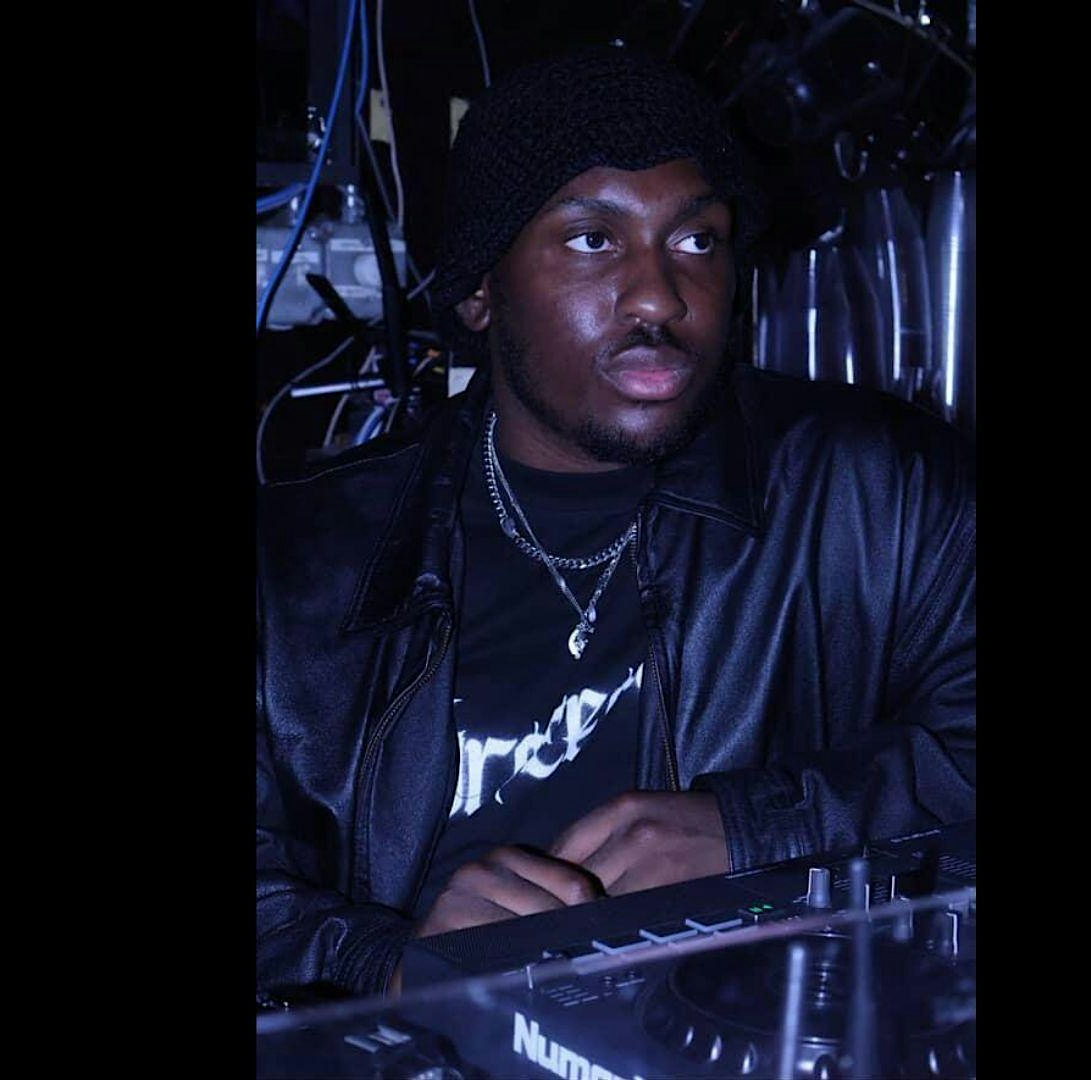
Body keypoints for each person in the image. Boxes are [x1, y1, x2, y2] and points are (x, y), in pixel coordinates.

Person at [257, 46, 975, 1002]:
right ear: (480, 289)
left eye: (698, 240)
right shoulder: (301, 558)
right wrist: (385, 965)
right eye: (594, 239)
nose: (660, 297)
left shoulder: (879, 490)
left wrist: (760, 830)